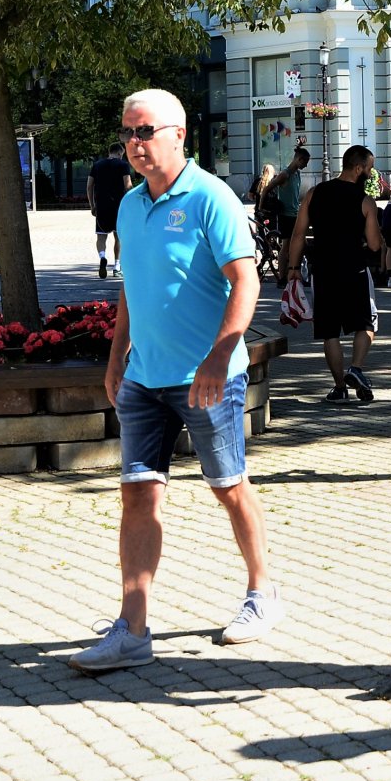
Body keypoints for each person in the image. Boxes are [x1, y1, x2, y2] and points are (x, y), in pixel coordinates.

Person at [70, 89, 281, 671]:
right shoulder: (129, 207)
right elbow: (131, 289)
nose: (135, 144)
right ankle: (132, 630)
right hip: (143, 378)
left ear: (179, 134)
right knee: (137, 493)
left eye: (146, 132)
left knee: (228, 485)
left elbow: (247, 282)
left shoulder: (211, 197)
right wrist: (116, 357)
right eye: (128, 134)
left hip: (206, 377)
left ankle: (261, 594)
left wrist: (220, 356)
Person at [285, 144, 383, 403]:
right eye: (370, 169)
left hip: (323, 271)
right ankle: (356, 369)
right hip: (355, 269)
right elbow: (374, 244)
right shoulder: (365, 201)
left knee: (329, 332)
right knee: (365, 323)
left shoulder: (315, 193)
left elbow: (298, 234)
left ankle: (340, 388)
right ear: (359, 168)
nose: (371, 174)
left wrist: (293, 269)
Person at [87, 141, 132, 279]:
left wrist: (92, 205)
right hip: (119, 207)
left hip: (101, 206)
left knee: (101, 236)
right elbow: (128, 185)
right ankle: (117, 267)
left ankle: (102, 257)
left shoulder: (97, 165)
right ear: (119, 152)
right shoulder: (123, 165)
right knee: (118, 237)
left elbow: (89, 186)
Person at [271, 144, 310, 231]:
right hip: (286, 215)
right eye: (305, 162)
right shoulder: (285, 174)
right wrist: (260, 208)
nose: (306, 165)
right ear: (299, 159)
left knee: (301, 242)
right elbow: (267, 188)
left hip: (295, 214)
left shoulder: (297, 174)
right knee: (287, 243)